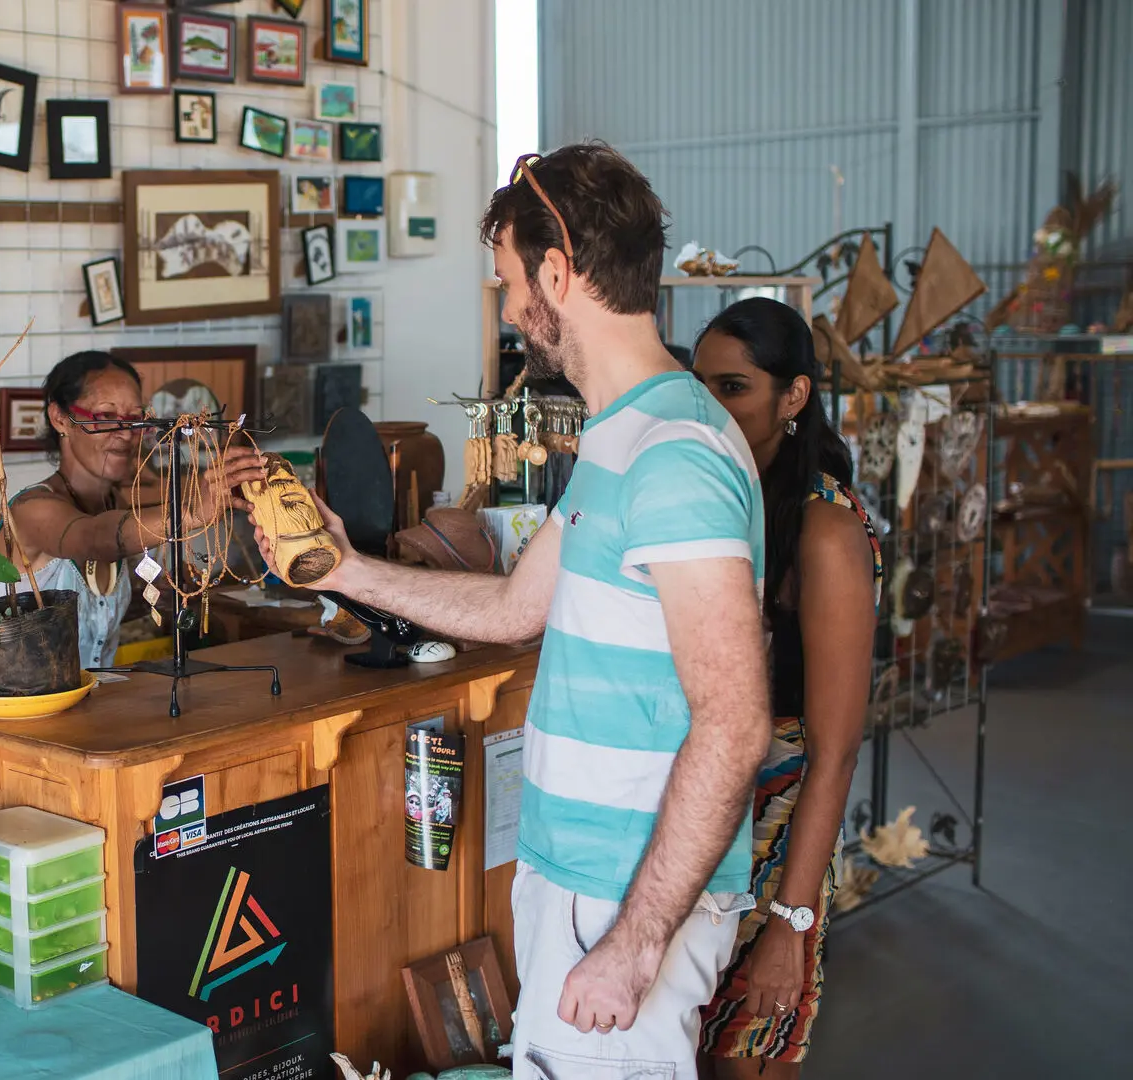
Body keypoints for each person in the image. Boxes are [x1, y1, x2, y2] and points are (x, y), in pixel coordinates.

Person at [252, 143, 772, 1079]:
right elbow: (516, 606)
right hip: (584, 885)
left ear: (559, 275)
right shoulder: (624, 435)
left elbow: (735, 723)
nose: (503, 307)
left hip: (623, 901)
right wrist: (341, 570)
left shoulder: (676, 457)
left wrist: (636, 941)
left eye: (505, 281)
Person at [691, 299, 880, 1077]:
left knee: (748, 1057)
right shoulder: (717, 501)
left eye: (733, 388)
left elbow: (834, 754)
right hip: (700, 820)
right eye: (699, 389)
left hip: (779, 837)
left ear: (793, 396)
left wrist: (790, 925)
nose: (712, 410)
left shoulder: (826, 531)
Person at [0, 350, 262, 667]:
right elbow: (95, 539)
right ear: (60, 418)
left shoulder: (114, 504)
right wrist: (189, 513)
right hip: (19, 712)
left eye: (135, 418)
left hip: (96, 708)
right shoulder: (29, 511)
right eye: (106, 416)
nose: (126, 433)